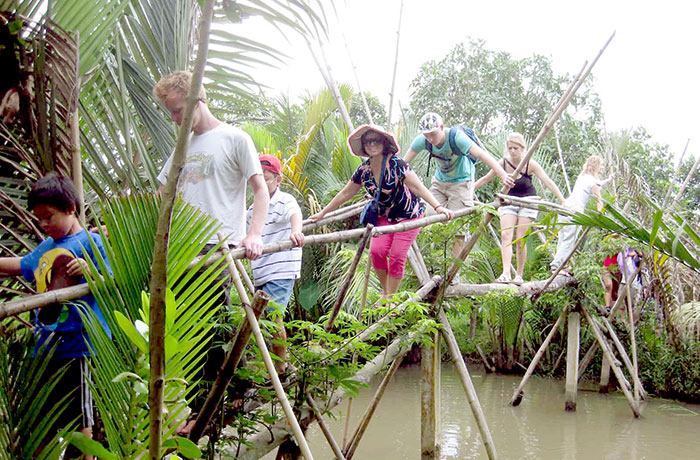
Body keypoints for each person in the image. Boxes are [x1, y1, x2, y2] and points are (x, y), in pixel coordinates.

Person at [0, 172, 111, 459]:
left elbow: (113, 285)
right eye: (39, 219)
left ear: (71, 208)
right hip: (45, 347)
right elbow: (19, 265)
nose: (44, 224)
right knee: (41, 415)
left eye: (49, 217)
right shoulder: (45, 248)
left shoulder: (91, 243)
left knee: (81, 417)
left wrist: (90, 272)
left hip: (79, 347)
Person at [310, 125, 454, 297]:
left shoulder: (397, 164)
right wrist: (323, 213)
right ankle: (387, 293)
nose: (372, 144)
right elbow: (345, 193)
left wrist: (438, 207)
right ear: (363, 145)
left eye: (376, 140)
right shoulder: (363, 171)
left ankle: (390, 298)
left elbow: (418, 187)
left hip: (409, 215)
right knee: (376, 252)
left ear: (384, 143)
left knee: (397, 254)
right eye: (368, 141)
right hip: (384, 216)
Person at [153, 70, 269, 259]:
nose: (173, 119)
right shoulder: (181, 147)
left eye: (176, 111)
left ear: (196, 103)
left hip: (218, 244)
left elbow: (260, 190)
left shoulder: (236, 138)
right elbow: (162, 194)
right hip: (181, 244)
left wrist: (254, 234)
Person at [403, 112, 515, 281]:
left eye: (433, 134)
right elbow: (403, 164)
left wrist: (501, 174)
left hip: (462, 183)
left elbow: (481, 154)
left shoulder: (456, 137)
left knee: (458, 228)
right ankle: (440, 259)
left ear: (441, 127)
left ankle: (454, 274)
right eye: (427, 135)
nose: (431, 139)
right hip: (440, 182)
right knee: (430, 216)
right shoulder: (423, 141)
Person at [474, 132, 566, 284]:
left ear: (522, 148)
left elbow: (548, 182)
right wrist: (471, 189)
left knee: (520, 239)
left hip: (528, 202)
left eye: (515, 148)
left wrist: (562, 200)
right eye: (510, 148)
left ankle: (519, 275)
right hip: (508, 202)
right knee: (506, 235)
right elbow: (486, 179)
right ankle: (505, 273)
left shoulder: (530, 164)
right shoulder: (503, 163)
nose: (512, 151)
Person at [246, 155, 305, 374]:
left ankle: (281, 367)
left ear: (278, 180)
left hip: (281, 268)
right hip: (261, 271)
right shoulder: (252, 209)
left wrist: (296, 231)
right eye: (258, 178)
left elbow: (295, 214)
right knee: (260, 320)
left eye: (267, 178)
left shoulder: (284, 199)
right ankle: (273, 365)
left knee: (273, 316)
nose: (262, 183)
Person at [550, 155, 611, 273]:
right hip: (575, 211)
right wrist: (600, 216)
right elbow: (599, 199)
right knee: (569, 240)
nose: (602, 168)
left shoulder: (583, 177)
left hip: (565, 206)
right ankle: (556, 266)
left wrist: (609, 180)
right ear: (596, 166)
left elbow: (599, 183)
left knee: (563, 238)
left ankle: (561, 265)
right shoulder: (592, 181)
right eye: (601, 165)